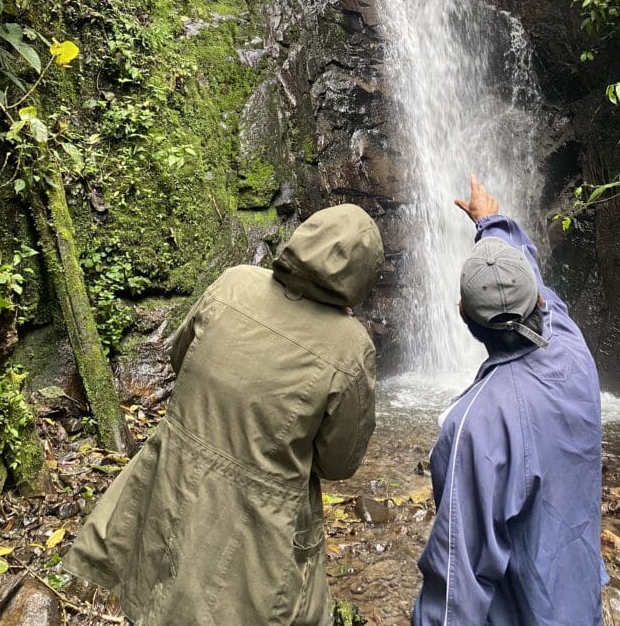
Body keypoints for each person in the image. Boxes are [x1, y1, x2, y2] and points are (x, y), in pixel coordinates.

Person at [64, 204, 383, 626]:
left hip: (171, 479)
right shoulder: (349, 347)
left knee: (160, 590)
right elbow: (339, 462)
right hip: (259, 525)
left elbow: (182, 360)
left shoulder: (233, 282)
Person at [412, 176, 605, 626]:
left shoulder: (474, 424)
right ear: (539, 300)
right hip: (580, 604)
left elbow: (455, 582)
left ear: (464, 317)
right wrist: (491, 223)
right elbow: (527, 277)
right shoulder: (572, 349)